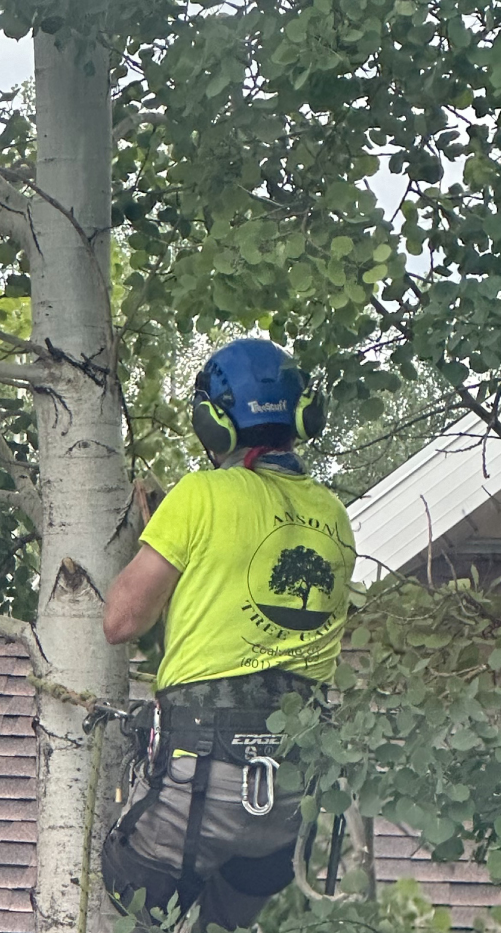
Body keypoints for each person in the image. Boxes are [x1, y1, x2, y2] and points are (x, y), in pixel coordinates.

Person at [101, 338, 356, 932]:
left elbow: (121, 621)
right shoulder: (333, 514)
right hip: (290, 794)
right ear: (302, 415)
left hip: (201, 778)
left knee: (131, 883)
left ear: (212, 421)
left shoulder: (199, 496)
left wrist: (158, 539)